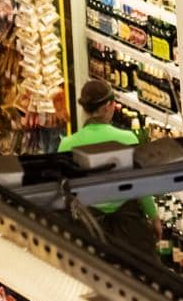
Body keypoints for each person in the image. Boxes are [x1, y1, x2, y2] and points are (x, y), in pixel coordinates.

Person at [58, 79, 159, 257]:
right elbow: (141, 184)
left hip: (88, 227)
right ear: (107, 106)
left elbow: (62, 194)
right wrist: (154, 217)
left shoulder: (67, 145)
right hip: (129, 227)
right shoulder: (127, 139)